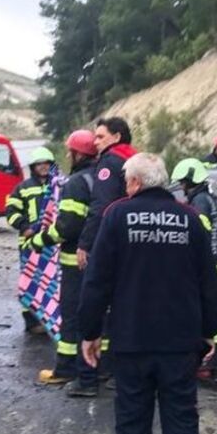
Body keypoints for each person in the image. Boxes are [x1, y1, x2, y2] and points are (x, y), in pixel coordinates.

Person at [79, 153, 217, 434]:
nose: (124, 185)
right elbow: (210, 282)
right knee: (181, 427)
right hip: (180, 344)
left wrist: (90, 332)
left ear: (136, 183)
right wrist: (209, 331)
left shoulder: (116, 216)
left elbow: (97, 281)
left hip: (131, 342)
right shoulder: (189, 218)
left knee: (132, 425)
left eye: (126, 180)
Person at [73, 116, 138, 396]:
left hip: (108, 245)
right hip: (132, 248)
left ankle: (87, 378)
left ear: (116, 136)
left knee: (92, 304)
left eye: (100, 136)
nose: (95, 142)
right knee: (122, 311)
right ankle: (113, 371)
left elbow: (101, 207)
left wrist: (85, 244)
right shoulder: (135, 160)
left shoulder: (110, 163)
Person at [27, 130, 97, 387]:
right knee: (99, 315)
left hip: (74, 262)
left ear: (78, 154)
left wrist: (40, 240)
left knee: (71, 315)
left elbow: (67, 226)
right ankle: (100, 367)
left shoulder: (76, 182)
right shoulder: (101, 178)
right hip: (99, 258)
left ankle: (66, 368)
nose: (68, 156)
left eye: (70, 151)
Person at [171, 158, 217, 378]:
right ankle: (216, 360)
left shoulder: (200, 202)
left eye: (183, 183)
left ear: (191, 180)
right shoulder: (215, 200)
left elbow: (199, 233)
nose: (182, 187)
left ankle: (205, 361)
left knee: (202, 312)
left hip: (208, 267)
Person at [6, 147, 56, 334]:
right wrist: (24, 227)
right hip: (29, 244)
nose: (43, 167)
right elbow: (11, 213)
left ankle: (50, 319)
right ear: (33, 167)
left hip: (52, 242)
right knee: (30, 282)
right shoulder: (23, 188)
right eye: (39, 164)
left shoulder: (59, 186)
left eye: (46, 163)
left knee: (52, 283)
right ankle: (32, 322)